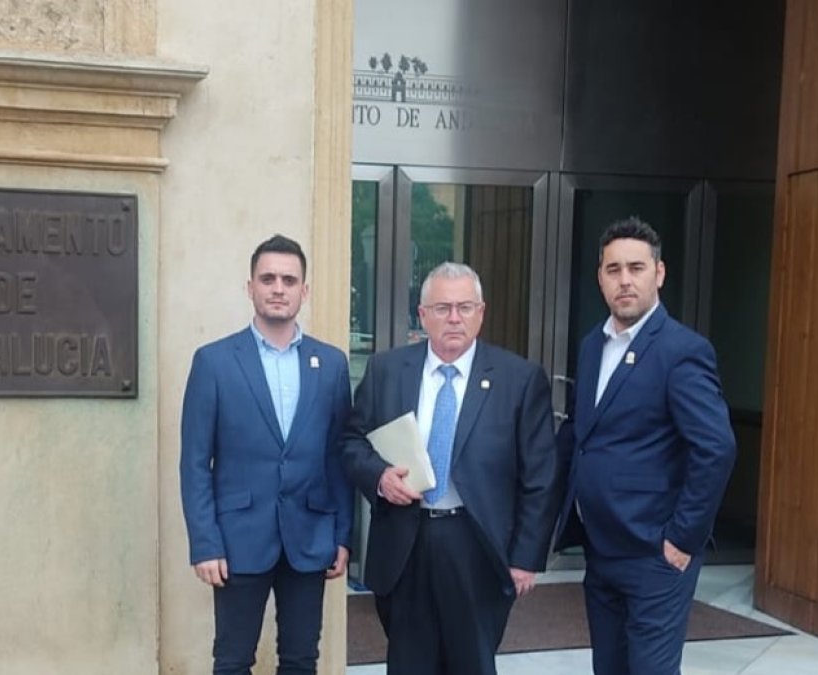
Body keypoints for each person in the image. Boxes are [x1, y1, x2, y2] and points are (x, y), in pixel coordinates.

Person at [343, 262, 562, 675]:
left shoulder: (519, 378)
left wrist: (526, 558)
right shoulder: (386, 370)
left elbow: (541, 476)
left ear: (482, 312)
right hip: (405, 541)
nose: (455, 318)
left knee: (472, 664)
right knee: (409, 665)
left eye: (465, 307)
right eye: (442, 308)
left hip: (477, 545)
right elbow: (351, 442)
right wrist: (378, 476)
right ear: (422, 315)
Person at [557, 216, 736, 674]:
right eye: (613, 270)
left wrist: (682, 538)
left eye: (636, 268)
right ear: (600, 277)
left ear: (659, 274)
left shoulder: (681, 350)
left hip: (655, 554)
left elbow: (715, 448)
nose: (624, 281)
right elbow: (584, 436)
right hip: (602, 549)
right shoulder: (593, 346)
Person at [179, 234, 353, 675]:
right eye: (269, 278)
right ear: (250, 287)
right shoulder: (214, 362)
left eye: (289, 280)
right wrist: (205, 543)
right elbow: (196, 462)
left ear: (304, 291)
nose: (279, 288)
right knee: (233, 660)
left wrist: (343, 536)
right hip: (237, 541)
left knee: (300, 660)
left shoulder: (330, 365)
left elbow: (339, 458)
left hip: (310, 538)